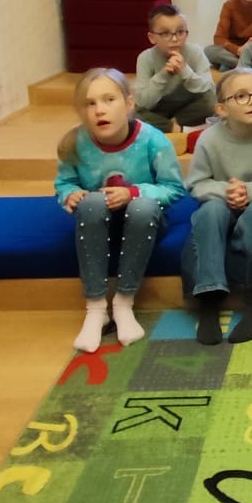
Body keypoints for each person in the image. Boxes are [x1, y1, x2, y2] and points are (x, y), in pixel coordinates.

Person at [55, 67, 186, 353]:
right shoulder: (74, 143)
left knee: (142, 207)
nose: (100, 110)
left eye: (109, 100)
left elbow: (174, 188)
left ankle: (124, 301)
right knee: (91, 202)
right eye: (90, 103)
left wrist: (133, 192)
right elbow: (64, 183)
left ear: (128, 103)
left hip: (144, 220)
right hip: (98, 221)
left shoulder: (153, 140)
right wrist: (70, 195)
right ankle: (95, 307)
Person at [184, 69, 252, 345]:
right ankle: (209, 297)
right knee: (210, 212)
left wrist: (249, 192)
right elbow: (196, 183)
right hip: (222, 201)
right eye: (241, 96)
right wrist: (227, 191)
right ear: (221, 109)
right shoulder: (209, 139)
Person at [134, 3, 216, 133]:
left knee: (213, 101)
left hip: (188, 105)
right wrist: (163, 74)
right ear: (152, 37)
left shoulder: (195, 51)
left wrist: (185, 71)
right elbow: (143, 102)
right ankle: (176, 128)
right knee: (134, 112)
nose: (174, 39)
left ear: (187, 34)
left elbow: (208, 87)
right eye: (165, 33)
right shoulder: (145, 58)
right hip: (159, 106)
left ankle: (173, 123)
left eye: (180, 32)